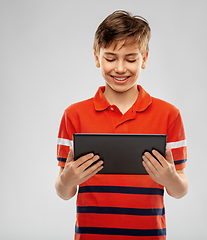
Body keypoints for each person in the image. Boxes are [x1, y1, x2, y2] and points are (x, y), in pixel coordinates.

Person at [55, 10, 188, 240]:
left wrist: (170, 179)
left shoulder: (169, 115)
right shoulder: (73, 115)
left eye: (130, 58)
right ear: (97, 57)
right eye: (110, 58)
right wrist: (67, 179)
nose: (119, 68)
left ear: (144, 58)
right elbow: (64, 191)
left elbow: (180, 189)